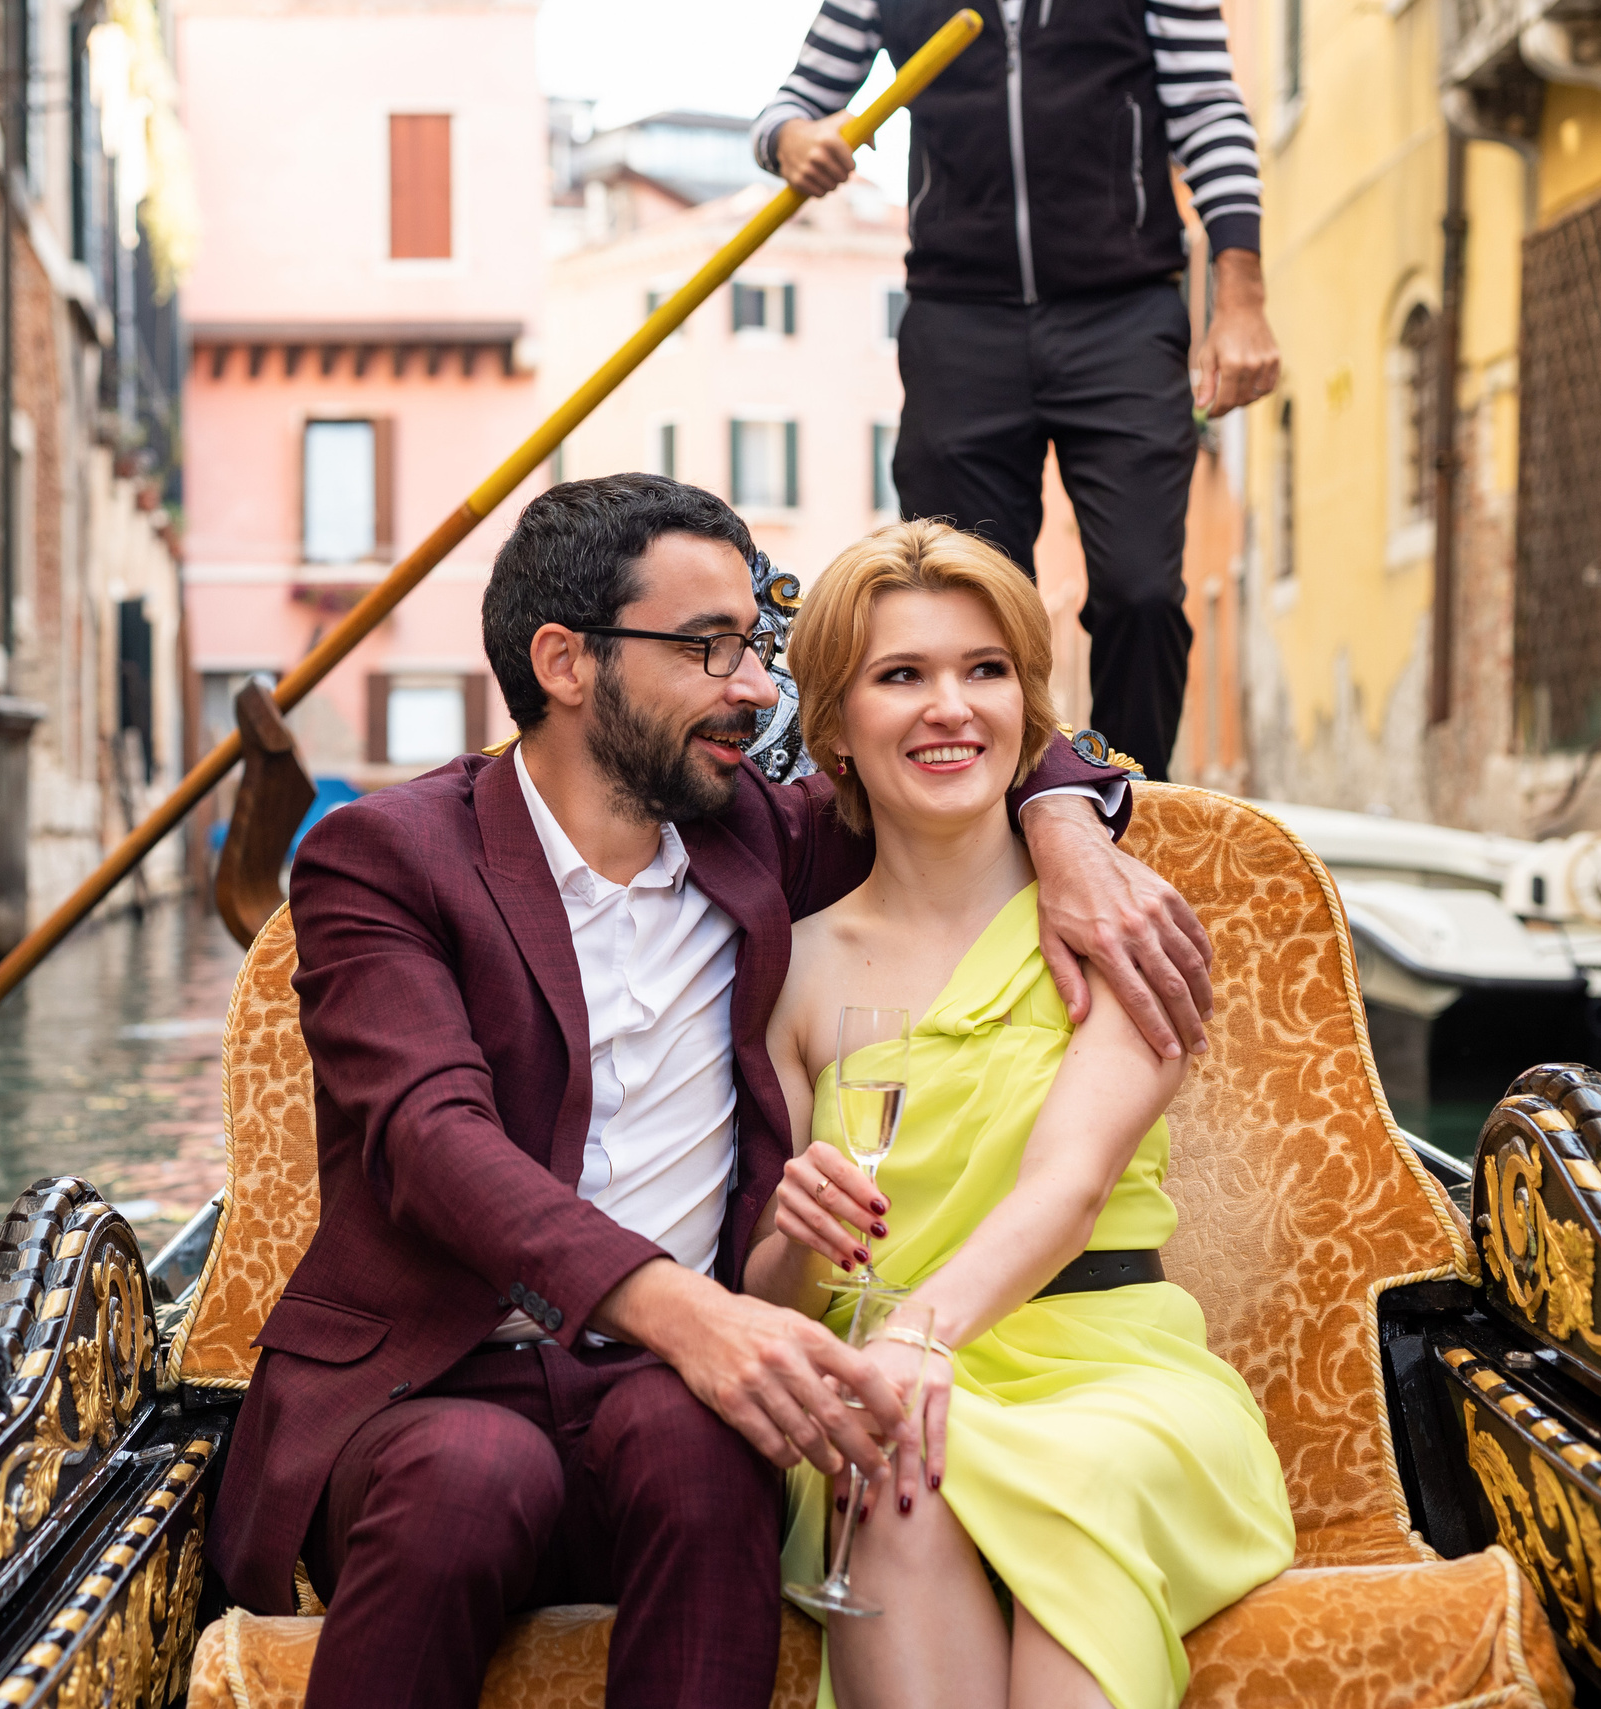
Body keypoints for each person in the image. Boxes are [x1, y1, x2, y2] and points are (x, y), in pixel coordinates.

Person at [207, 474, 1220, 1708]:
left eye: (755, 645)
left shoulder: (763, 835)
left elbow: (954, 735)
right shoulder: (386, 858)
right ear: (565, 661)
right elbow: (432, 1138)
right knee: (473, 1477)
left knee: (711, 1453)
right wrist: (692, 1315)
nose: (754, 688)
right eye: (709, 648)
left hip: (671, 1387)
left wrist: (1068, 827)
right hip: (440, 1373)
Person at [751, 519, 1293, 1709]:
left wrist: (914, 1338)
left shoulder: (1111, 925)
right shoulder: (789, 972)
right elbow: (765, 1302)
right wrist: (793, 1235)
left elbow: (1070, 1185)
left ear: (1028, 704)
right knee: (897, 1464)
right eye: (902, 675)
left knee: (1038, 1468)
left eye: (983, 670)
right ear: (834, 727)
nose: (951, 706)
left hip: (1113, 1376)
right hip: (884, 1387)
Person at [754, 0, 1282, 779]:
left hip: (1124, 312)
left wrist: (1240, 298)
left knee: (1141, 591)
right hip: (959, 321)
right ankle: (990, 813)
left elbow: (1207, 107)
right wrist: (794, 139)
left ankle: (1129, 808)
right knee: (959, 604)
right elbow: (789, 105)